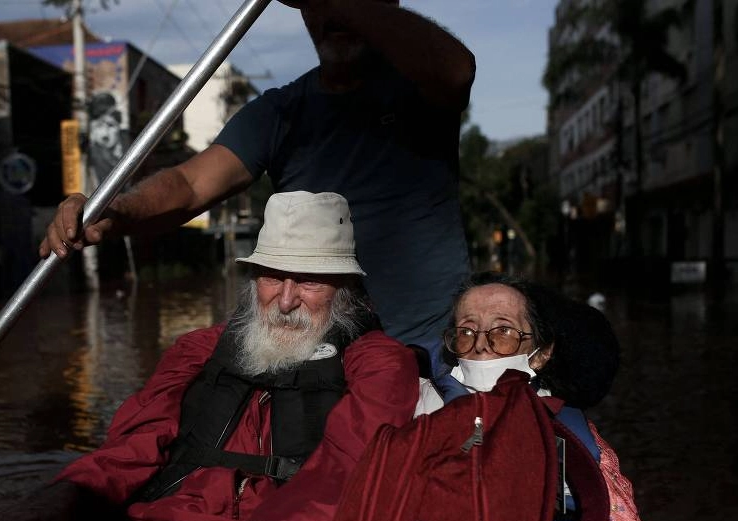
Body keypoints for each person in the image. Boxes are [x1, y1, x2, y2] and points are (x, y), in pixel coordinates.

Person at [0, 191, 421, 521]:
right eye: (272, 276)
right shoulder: (197, 349)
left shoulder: (378, 361)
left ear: (344, 289)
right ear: (253, 280)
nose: (287, 299)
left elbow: (350, 465)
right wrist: (65, 492)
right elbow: (132, 446)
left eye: (310, 280)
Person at [39, 0, 476, 385]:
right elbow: (190, 186)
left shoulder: (423, 85)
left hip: (430, 347)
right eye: (315, 3)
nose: (332, 12)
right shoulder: (280, 112)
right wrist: (114, 210)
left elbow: (457, 72)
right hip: (327, 355)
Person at [307, 271, 673, 521]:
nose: (480, 344)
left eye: (502, 331)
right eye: (466, 331)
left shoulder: (570, 443)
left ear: (540, 352)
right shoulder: (420, 429)